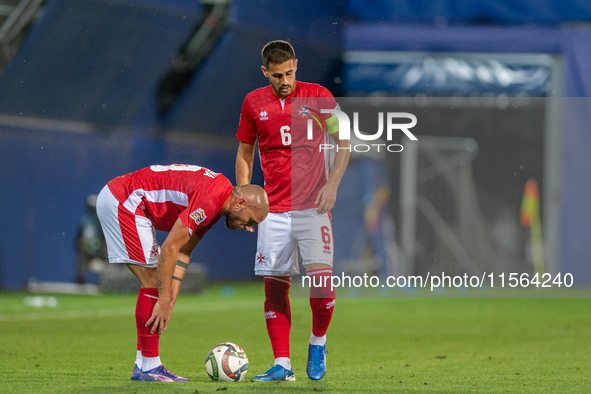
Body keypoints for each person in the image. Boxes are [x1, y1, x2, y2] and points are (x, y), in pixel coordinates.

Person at [235, 40, 350, 381]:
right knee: (274, 288)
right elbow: (245, 152)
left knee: (323, 286)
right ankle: (282, 364)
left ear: (296, 65)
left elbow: (343, 141)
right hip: (273, 210)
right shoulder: (253, 103)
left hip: (313, 207)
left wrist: (332, 186)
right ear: (264, 72)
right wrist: (242, 200)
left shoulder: (318, 95)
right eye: (276, 75)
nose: (284, 80)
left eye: (288, 73)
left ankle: (318, 342)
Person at [96, 164, 268, 382]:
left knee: (157, 287)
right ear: (241, 203)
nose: (248, 227)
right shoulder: (210, 199)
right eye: (251, 220)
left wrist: (171, 299)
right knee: (152, 282)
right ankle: (149, 367)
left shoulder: (218, 202)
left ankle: (144, 364)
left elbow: (185, 251)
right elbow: (169, 249)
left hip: (127, 201)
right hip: (124, 201)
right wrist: (164, 298)